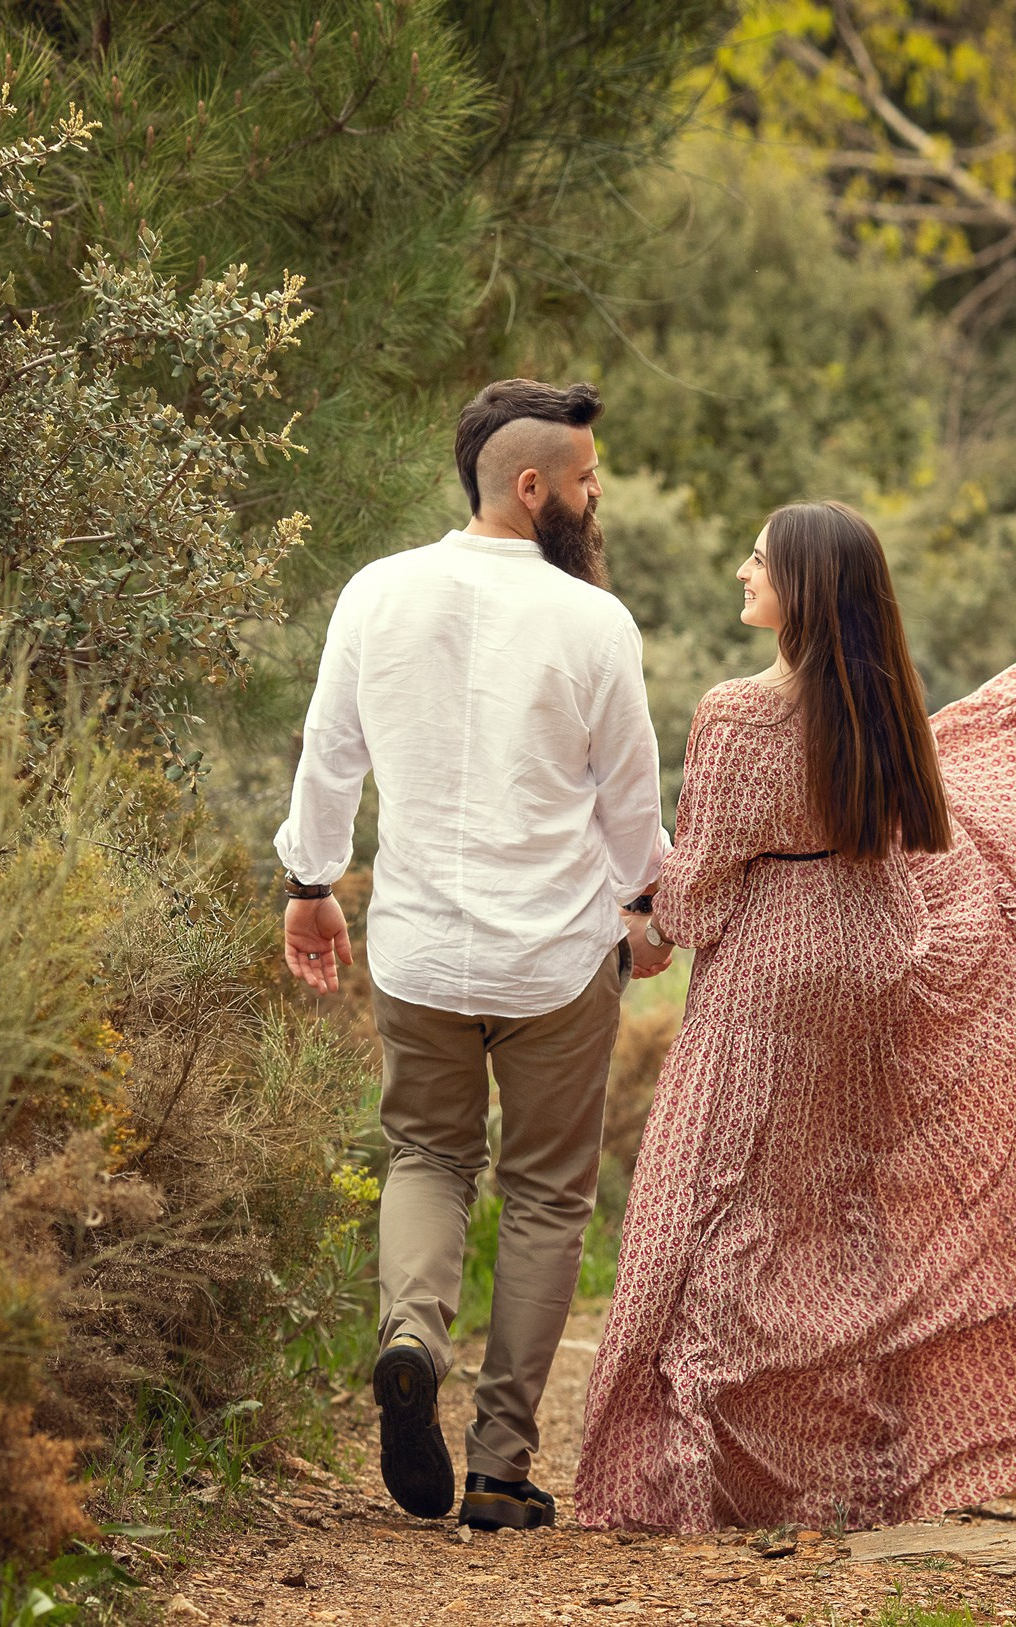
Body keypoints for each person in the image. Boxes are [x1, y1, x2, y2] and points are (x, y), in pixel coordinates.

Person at [574, 500, 1016, 1531]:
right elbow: (907, 842)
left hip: (776, 968)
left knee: (709, 1191)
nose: (738, 570)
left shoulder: (735, 710)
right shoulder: (883, 702)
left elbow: (706, 883)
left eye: (755, 559)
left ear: (800, 587)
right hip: (871, 954)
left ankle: (682, 1466)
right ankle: (840, 1468)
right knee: (833, 1201)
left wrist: (645, 911)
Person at [275, 379, 673, 1531]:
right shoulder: (593, 622)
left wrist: (310, 884)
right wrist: (647, 910)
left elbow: (328, 755)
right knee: (547, 1195)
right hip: (554, 959)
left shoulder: (376, 592)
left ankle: (410, 1332)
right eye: (588, 479)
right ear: (534, 486)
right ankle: (500, 1466)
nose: (598, 498)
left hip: (416, 948)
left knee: (425, 1156)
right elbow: (629, 804)